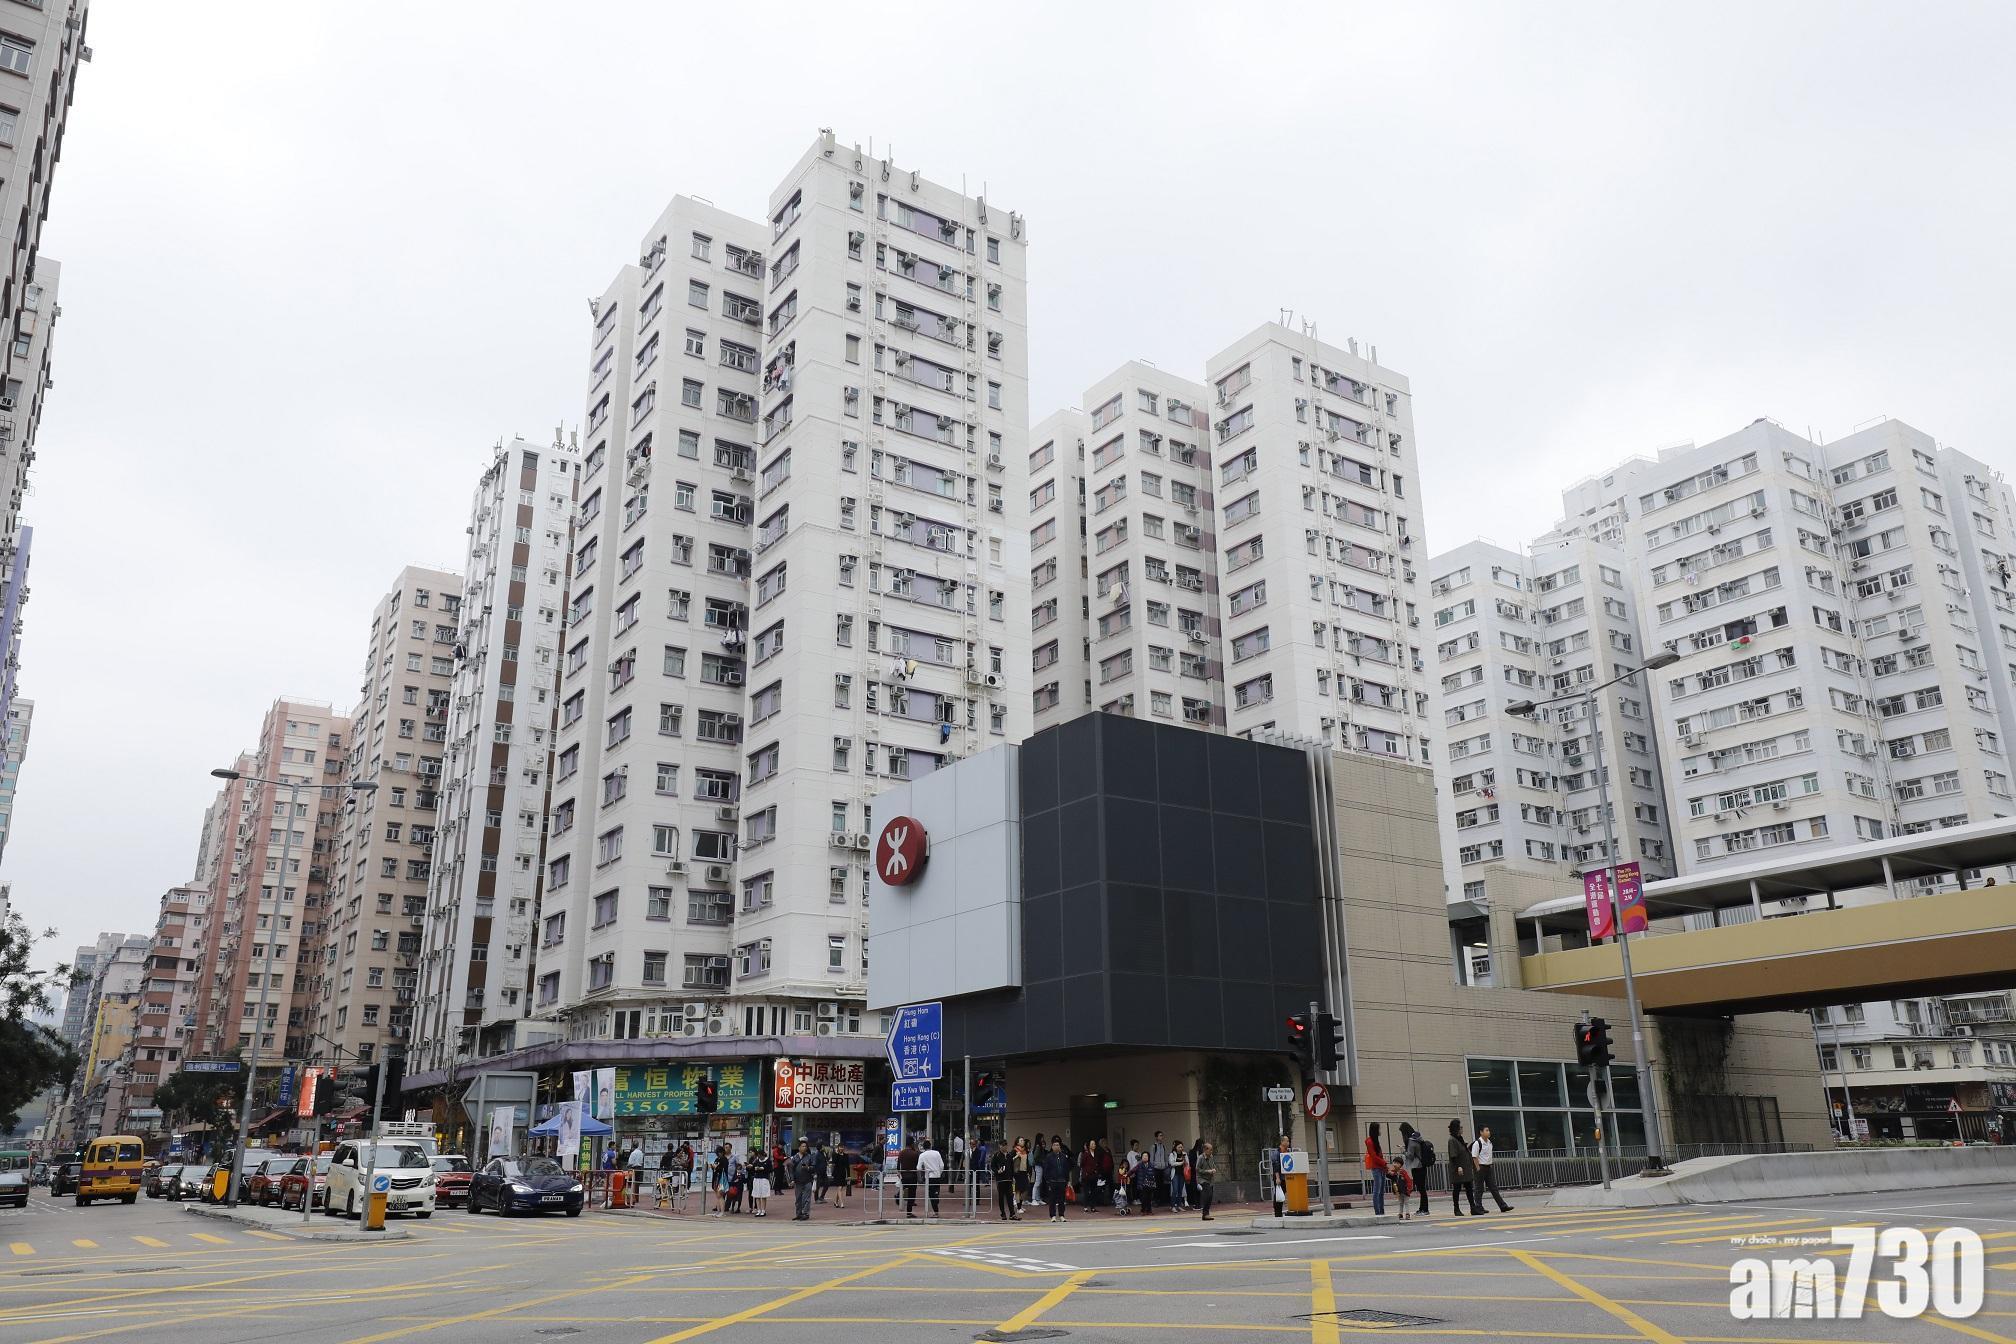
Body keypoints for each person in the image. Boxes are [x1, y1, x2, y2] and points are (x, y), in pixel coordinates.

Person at [1471, 1125, 1513, 1212]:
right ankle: (1478, 1207)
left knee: (1494, 1188)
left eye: (1488, 1130)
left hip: (1488, 1167)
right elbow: (1474, 1157)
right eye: (1486, 1130)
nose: (1488, 1132)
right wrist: (1478, 1168)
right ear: (1481, 1132)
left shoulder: (1489, 1142)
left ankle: (1503, 1206)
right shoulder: (1477, 1143)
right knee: (1479, 1189)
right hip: (1480, 1167)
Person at [1446, 1119, 1484, 1217]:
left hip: (1466, 1168)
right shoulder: (1452, 1140)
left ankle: (1473, 1208)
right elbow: (1453, 1155)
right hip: (1458, 1168)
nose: (1462, 1129)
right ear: (1456, 1128)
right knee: (1457, 1189)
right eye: (1460, 1127)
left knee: (1469, 1188)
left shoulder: (1460, 1138)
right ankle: (1456, 1209)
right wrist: (1458, 1166)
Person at [1399, 1122, 1432, 1216]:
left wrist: (1403, 1151)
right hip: (1422, 1165)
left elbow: (1410, 1156)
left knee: (1421, 1189)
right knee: (1422, 1188)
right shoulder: (1417, 1138)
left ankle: (1425, 1209)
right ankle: (1422, 1208)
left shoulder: (1411, 1141)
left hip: (1417, 1166)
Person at [1039, 1138, 1073, 1222]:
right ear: (1052, 1147)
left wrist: (1067, 1180)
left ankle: (1061, 1215)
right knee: (1052, 1199)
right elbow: (1046, 1170)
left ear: (1060, 1146)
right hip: (1052, 1181)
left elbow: (1066, 1169)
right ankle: (1053, 1215)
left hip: (1062, 1181)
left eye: (1057, 1145)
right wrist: (1048, 1180)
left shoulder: (1064, 1156)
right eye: (1054, 1145)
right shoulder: (1049, 1157)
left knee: (1062, 1200)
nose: (1056, 1146)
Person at [1363, 1122, 1388, 1216]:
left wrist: (1384, 1165)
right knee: (1377, 1191)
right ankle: (1378, 1212)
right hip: (1376, 1168)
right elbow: (1374, 1156)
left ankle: (1381, 1211)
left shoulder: (1375, 1140)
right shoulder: (1370, 1141)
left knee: (1381, 1192)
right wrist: (1384, 1163)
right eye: (1379, 1129)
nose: (1380, 1131)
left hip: (1381, 1167)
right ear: (1375, 1130)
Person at [917, 1137, 946, 1217]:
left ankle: (936, 1212)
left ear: (923, 1147)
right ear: (930, 1146)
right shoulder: (937, 1153)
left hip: (929, 1177)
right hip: (937, 1176)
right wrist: (939, 1172)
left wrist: (923, 1172)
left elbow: (918, 1168)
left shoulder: (922, 1155)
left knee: (931, 1194)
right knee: (936, 1192)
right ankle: (936, 1199)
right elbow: (942, 1165)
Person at [990, 1139, 1017, 1220]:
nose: (1004, 1147)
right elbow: (992, 1166)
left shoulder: (1009, 1155)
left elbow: (1012, 1167)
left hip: (1009, 1179)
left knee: (1010, 1197)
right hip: (1001, 1179)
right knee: (1001, 1197)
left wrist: (1013, 1177)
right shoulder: (996, 1155)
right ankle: (1003, 1213)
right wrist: (997, 1171)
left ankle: (1012, 1214)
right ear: (1000, 1146)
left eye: (1005, 1145)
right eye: (1002, 1145)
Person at [791, 1141, 819, 1221]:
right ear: (799, 1148)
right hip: (798, 1181)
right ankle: (798, 1214)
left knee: (806, 1198)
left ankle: (805, 1214)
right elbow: (791, 1170)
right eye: (803, 1146)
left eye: (805, 1146)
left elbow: (814, 1167)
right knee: (798, 1199)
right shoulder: (794, 1158)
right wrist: (792, 1179)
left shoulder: (809, 1157)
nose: (804, 1148)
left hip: (807, 1180)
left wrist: (808, 1167)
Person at [1194, 1141, 1218, 1220]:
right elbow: (1197, 1169)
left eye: (1212, 1150)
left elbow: (1213, 1165)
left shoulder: (1211, 1157)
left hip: (1210, 1179)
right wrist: (1207, 1171)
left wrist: (1213, 1169)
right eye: (1210, 1150)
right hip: (1202, 1179)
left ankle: (1206, 1214)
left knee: (1210, 1196)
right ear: (1205, 1150)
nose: (1211, 1151)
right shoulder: (1200, 1158)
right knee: (1207, 1194)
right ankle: (1205, 1213)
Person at [897, 1137, 920, 1219]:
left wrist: (899, 1172)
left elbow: (898, 1166)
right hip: (913, 1176)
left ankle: (898, 1195)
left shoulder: (901, 1153)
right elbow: (918, 1165)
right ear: (912, 1144)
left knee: (904, 1190)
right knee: (912, 1194)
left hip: (904, 1176)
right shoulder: (915, 1154)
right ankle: (909, 1212)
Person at [1129, 1148, 1156, 1213]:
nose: (1145, 1157)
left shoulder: (1151, 1165)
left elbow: (1154, 1174)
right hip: (1142, 1184)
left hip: (1150, 1184)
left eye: (1146, 1156)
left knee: (1149, 1198)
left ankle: (1149, 1210)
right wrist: (1127, 1175)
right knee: (1143, 1198)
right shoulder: (1139, 1165)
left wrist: (1154, 1182)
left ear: (1148, 1158)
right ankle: (1143, 1209)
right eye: (1143, 1156)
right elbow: (1133, 1170)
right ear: (1141, 1158)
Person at [1271, 1134, 1291, 1217]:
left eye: (1288, 1141)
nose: (1288, 1143)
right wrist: (1277, 1178)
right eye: (1287, 1141)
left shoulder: (1288, 1152)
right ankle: (1277, 1213)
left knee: (1283, 1195)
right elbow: (1275, 1166)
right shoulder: (1276, 1153)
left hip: (1287, 1178)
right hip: (1280, 1178)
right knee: (1278, 1195)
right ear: (1282, 1142)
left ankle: (1280, 1212)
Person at [1150, 1131, 1170, 1209]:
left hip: (1163, 1168)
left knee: (1161, 1185)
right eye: (1160, 1136)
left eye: (1162, 1136)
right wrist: (1153, 1167)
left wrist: (1166, 1165)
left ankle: (1161, 1200)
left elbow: (1165, 1157)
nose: (1162, 1137)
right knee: (1156, 1185)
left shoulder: (1163, 1146)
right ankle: (1155, 1201)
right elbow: (1152, 1158)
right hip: (1156, 1168)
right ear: (1156, 1137)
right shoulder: (1153, 1146)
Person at [1387, 1155, 1411, 1221]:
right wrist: (1388, 1171)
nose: (1395, 1164)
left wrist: (1409, 1189)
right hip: (1398, 1191)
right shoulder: (1393, 1172)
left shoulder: (1403, 1172)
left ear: (1401, 1165)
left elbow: (1408, 1180)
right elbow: (1388, 1175)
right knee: (1400, 1202)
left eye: (1397, 1163)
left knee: (1406, 1202)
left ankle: (1407, 1214)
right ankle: (1400, 1214)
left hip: (1405, 1190)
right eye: (1394, 1163)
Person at [1168, 1141, 1189, 1211]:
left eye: (1181, 1147)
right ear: (1175, 1147)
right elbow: (1172, 1163)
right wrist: (1181, 1163)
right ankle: (1173, 1206)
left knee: (1180, 1190)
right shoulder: (1172, 1154)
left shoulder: (1184, 1154)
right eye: (1179, 1147)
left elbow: (1187, 1163)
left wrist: (1184, 1160)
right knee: (1175, 1190)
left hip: (1182, 1174)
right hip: (1175, 1174)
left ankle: (1179, 1205)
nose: (1180, 1148)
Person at [1012, 1138, 1032, 1211]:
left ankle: (1020, 1205)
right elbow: (1010, 1160)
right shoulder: (1014, 1151)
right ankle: (1018, 1207)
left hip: (1024, 1172)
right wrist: (1016, 1156)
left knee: (1026, 1189)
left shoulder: (1025, 1151)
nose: (1023, 1141)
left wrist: (1028, 1173)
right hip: (1017, 1172)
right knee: (1018, 1190)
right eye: (1021, 1140)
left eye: (1023, 1140)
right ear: (1017, 1142)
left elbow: (1027, 1162)